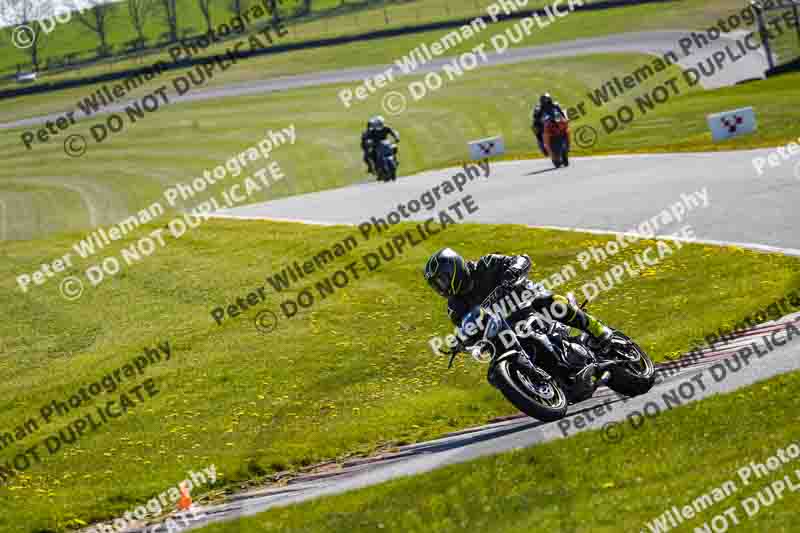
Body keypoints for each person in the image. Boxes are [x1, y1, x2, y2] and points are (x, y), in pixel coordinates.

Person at [423, 248, 613, 355]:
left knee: (546, 301)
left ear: (454, 269)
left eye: (442, 280)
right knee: (494, 353)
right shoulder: (455, 307)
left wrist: (514, 270)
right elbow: (468, 328)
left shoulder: (486, 264)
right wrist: (462, 341)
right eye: (436, 285)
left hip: (527, 301)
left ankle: (595, 328)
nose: (441, 288)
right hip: (507, 329)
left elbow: (521, 259)